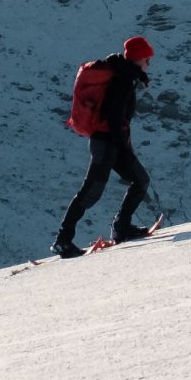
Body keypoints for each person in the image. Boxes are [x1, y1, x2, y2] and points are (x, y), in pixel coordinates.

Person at [52, 36, 156, 258]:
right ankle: (63, 240)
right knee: (91, 192)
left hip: (112, 142)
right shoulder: (122, 81)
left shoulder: (125, 72)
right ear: (138, 59)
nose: (148, 64)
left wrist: (141, 76)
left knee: (141, 180)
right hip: (106, 142)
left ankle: (122, 228)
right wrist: (124, 149)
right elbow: (115, 117)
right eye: (147, 60)